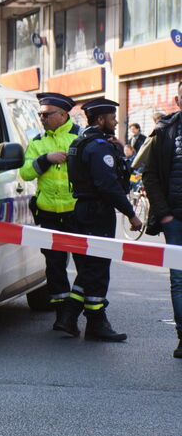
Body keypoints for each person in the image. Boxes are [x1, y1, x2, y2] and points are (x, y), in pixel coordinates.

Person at [63, 98, 142, 342]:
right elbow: (108, 185)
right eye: (112, 117)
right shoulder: (99, 147)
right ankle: (96, 323)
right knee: (97, 269)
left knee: (88, 268)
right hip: (97, 213)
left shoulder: (80, 142)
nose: (116, 122)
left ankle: (68, 316)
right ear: (100, 119)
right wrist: (131, 214)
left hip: (83, 210)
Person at [20, 93, 81, 333]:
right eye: (40, 115)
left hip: (76, 213)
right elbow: (25, 173)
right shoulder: (37, 142)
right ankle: (62, 315)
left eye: (46, 114)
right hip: (48, 215)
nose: (42, 118)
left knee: (86, 265)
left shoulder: (80, 138)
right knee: (54, 267)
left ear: (63, 115)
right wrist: (46, 159)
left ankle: (77, 312)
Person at [139, 81, 182, 358]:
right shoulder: (164, 130)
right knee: (179, 279)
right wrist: (164, 213)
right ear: (178, 100)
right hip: (174, 218)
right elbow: (149, 174)